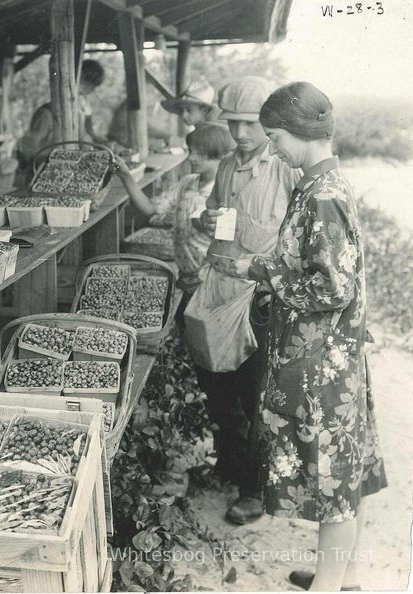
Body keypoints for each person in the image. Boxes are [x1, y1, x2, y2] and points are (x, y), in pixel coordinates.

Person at [233, 82, 387, 591]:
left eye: (275, 136)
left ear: (298, 132)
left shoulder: (322, 195)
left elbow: (333, 286)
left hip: (321, 363)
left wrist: (263, 272)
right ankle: (337, 575)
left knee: (333, 481)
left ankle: (327, 586)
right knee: (344, 475)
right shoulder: (322, 183)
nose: (272, 146)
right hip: (330, 356)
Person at [189, 76, 301, 525]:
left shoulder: (285, 168)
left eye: (250, 124)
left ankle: (254, 490)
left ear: (270, 122)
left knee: (256, 395)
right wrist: (206, 218)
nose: (240, 134)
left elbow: (301, 240)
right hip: (220, 288)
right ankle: (229, 464)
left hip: (261, 299)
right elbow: (207, 221)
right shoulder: (226, 167)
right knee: (218, 383)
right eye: (232, 123)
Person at [112, 122, 235, 295]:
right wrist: (126, 176)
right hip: (185, 273)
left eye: (200, 153)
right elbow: (149, 209)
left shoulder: (227, 191)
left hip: (211, 276)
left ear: (221, 156)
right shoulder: (186, 183)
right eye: (191, 151)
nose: (192, 158)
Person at [16, 60, 110, 186]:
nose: (90, 91)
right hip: (42, 178)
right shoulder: (46, 114)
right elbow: (27, 149)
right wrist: (56, 157)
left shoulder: (76, 114)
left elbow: (84, 138)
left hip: (64, 177)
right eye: (89, 86)